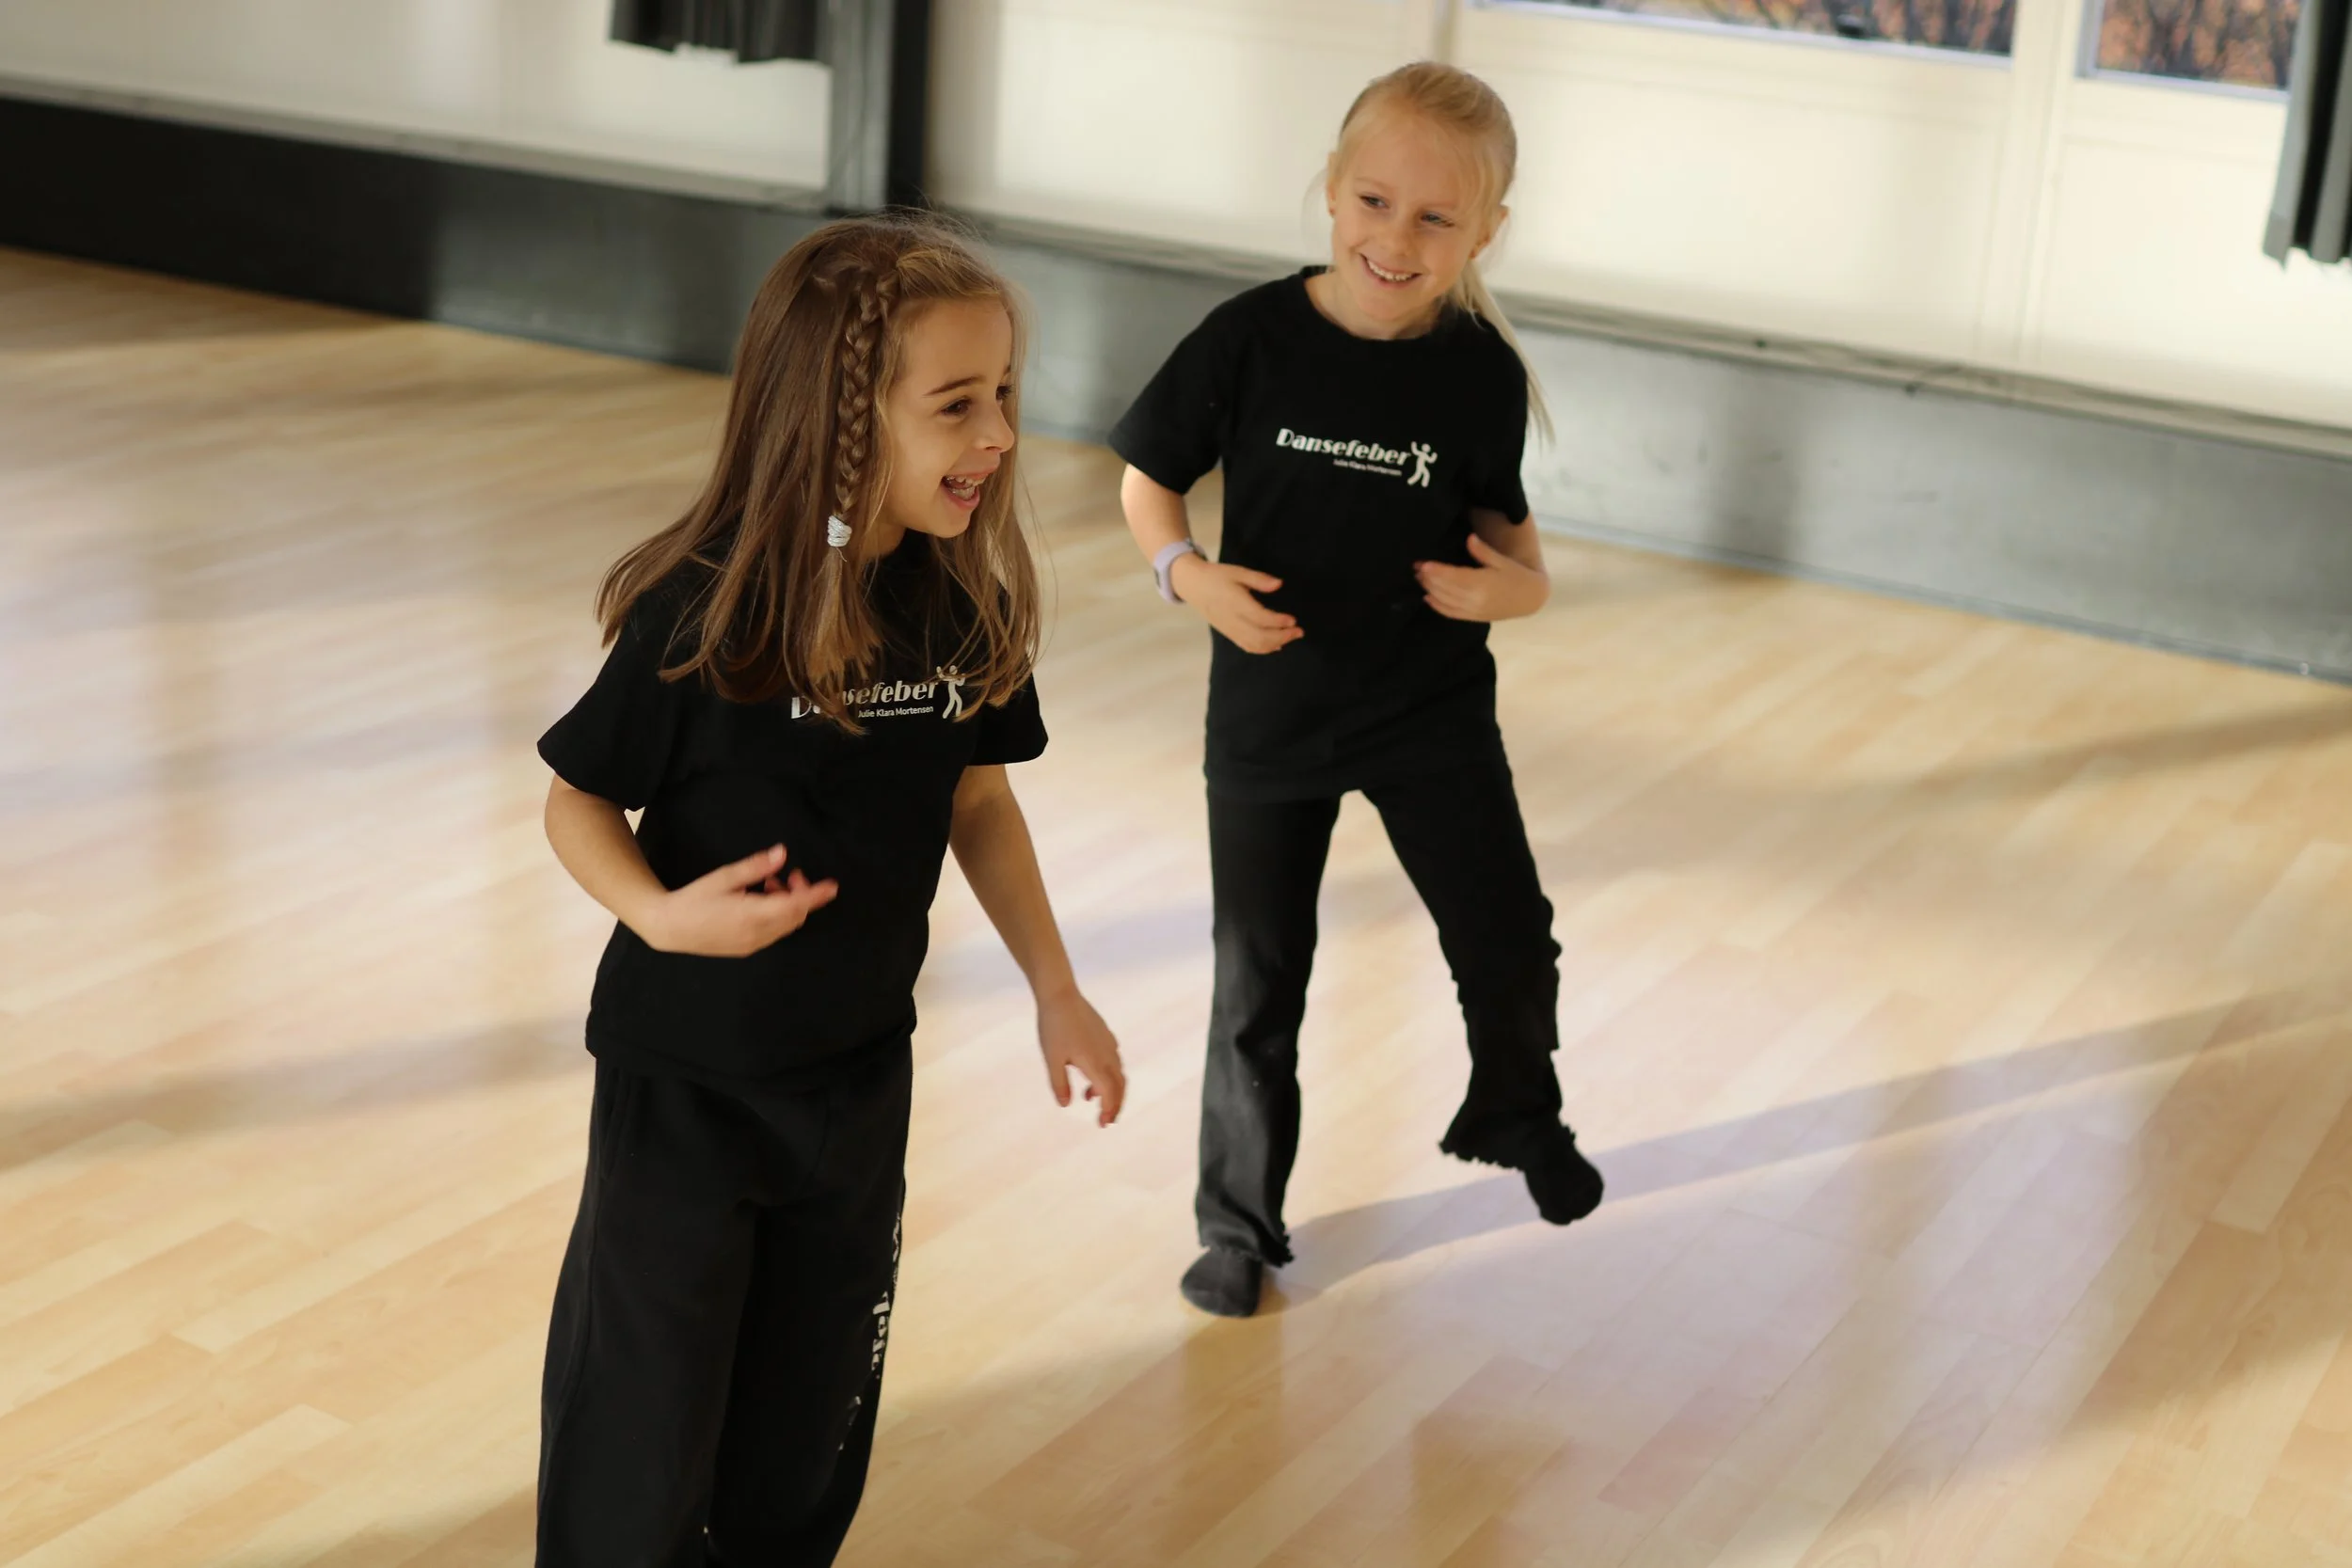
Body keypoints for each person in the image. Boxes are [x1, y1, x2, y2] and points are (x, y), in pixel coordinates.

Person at [533, 214, 1126, 1565]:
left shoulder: (959, 608)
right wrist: (661, 913)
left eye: (1007, 398)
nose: (999, 435)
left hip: (857, 1080)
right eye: (957, 404)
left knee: (806, 1436)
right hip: (686, 1087)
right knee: (641, 1429)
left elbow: (978, 797)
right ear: (840, 417)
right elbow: (579, 797)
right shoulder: (705, 610)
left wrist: (1057, 988)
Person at [1110, 62, 1602, 1321]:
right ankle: (1236, 1223)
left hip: (1430, 708)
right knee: (1258, 978)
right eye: (1375, 201)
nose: (1397, 238)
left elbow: (1522, 559)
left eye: (1437, 219)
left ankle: (1519, 1110)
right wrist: (1190, 577)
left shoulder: (1479, 374)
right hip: (1272, 709)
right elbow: (1146, 483)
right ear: (1329, 191)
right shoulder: (1248, 339)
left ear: (1486, 230)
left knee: (1507, 930)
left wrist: (1514, 597)